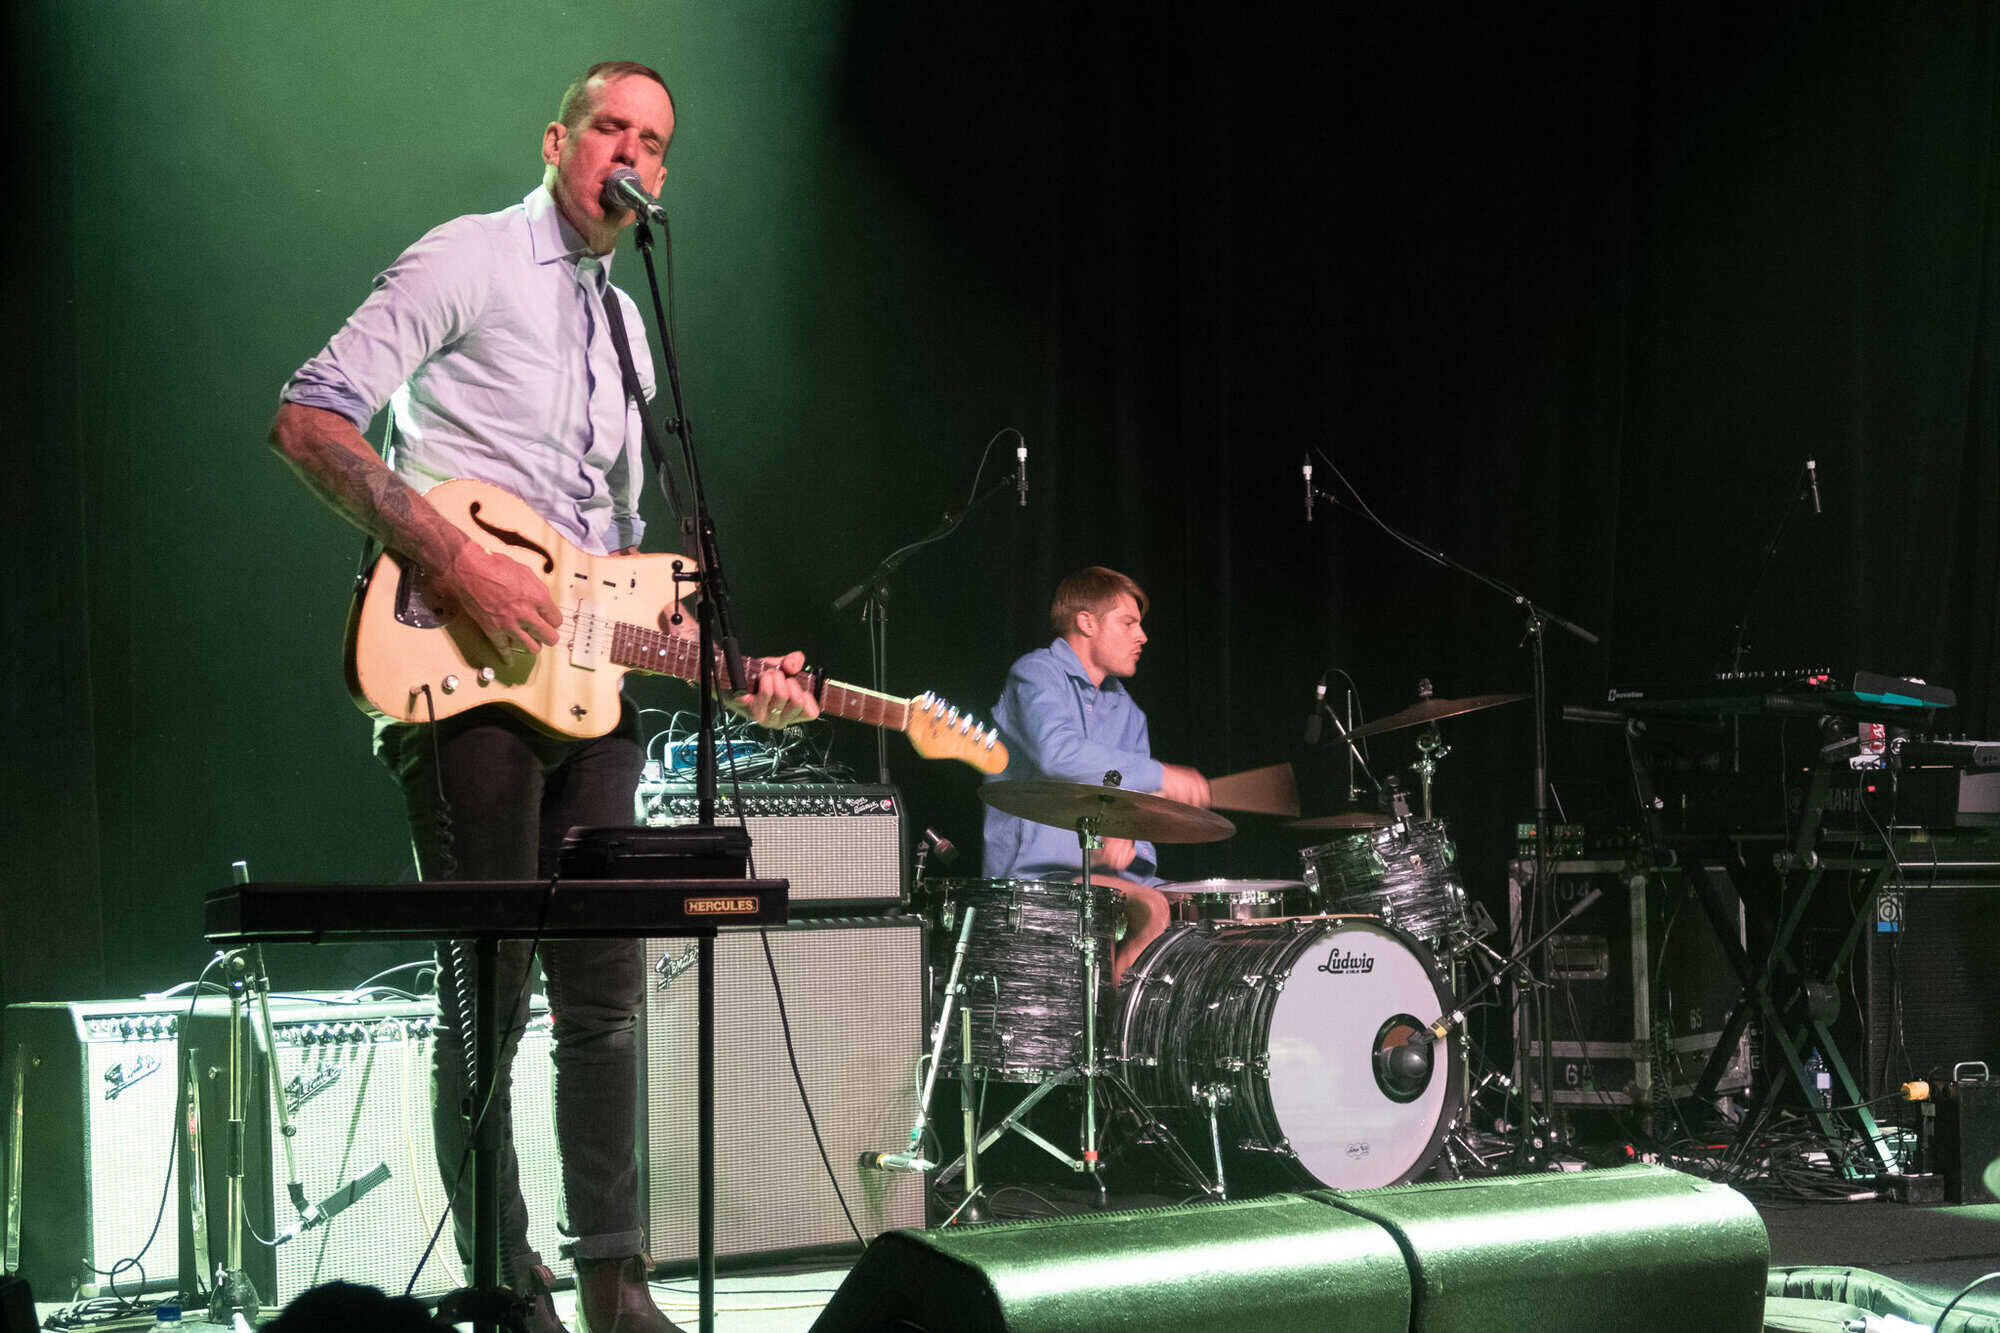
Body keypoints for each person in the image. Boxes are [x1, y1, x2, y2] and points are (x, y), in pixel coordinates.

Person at [268, 60, 818, 1333]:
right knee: (491, 990)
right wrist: (453, 558)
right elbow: (310, 418)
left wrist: (732, 673)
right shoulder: (468, 256)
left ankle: (615, 1280)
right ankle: (508, 1289)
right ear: (557, 139)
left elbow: (616, 564)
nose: (631, 153)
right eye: (609, 128)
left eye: (654, 141)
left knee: (604, 998)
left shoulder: (629, 327)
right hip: (457, 669)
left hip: (590, 694)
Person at [982, 567, 1212, 981]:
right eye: (1128, 623)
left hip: (1107, 880)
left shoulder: (1129, 712)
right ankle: (1113, 1019)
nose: (1142, 636)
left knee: (1202, 911)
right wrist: (1160, 775)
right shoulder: (1035, 674)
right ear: (1086, 622)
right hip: (1036, 880)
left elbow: (1135, 815)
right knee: (1151, 908)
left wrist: (1130, 845)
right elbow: (1058, 754)